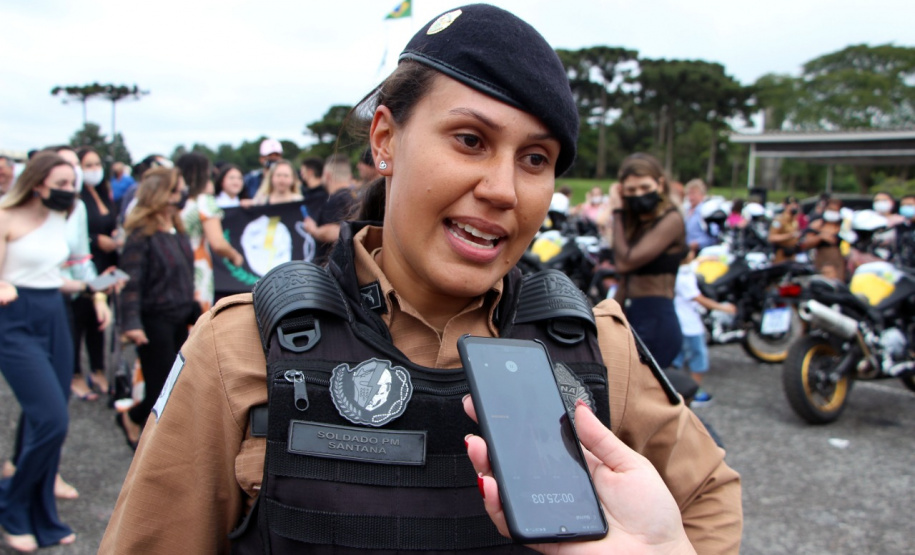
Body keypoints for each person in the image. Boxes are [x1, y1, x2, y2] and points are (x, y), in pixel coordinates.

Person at [100, 5, 741, 554]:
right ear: (385, 139)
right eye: (469, 139)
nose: (501, 189)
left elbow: (708, 496)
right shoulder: (241, 350)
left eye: (535, 159)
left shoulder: (596, 350)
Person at [0, 153, 83, 551]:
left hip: (54, 314)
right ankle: (11, 505)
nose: (70, 190)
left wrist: (91, 286)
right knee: (52, 420)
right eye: (62, 183)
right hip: (14, 321)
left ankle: (42, 514)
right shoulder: (5, 216)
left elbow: (51, 273)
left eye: (73, 183)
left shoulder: (59, 216)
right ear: (37, 183)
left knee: (47, 416)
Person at [116, 168, 195, 451]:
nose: (182, 196)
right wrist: (132, 324)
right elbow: (131, 283)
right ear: (161, 194)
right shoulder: (141, 235)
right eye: (176, 190)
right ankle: (136, 421)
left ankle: (154, 430)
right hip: (154, 320)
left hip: (179, 316)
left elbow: (184, 275)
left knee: (177, 382)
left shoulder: (177, 229)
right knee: (161, 386)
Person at [609, 153, 688, 368]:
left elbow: (625, 262)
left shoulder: (671, 219)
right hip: (634, 314)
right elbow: (626, 275)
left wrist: (616, 211)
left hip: (657, 318)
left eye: (645, 187)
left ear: (660, 184)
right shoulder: (639, 224)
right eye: (631, 190)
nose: (639, 195)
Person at [69, 147, 120, 400]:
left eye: (97, 164)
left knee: (99, 322)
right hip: (83, 266)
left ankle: (98, 369)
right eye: (88, 165)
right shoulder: (75, 200)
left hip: (105, 266)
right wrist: (95, 240)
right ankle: (75, 373)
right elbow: (74, 238)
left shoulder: (103, 193)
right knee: (77, 321)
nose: (94, 170)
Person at [176, 153, 245, 311]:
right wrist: (235, 256)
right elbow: (218, 243)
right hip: (197, 266)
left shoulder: (172, 200)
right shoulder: (204, 202)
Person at [669, 252, 737, 406]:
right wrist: (723, 308)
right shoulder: (684, 278)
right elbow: (698, 298)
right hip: (690, 326)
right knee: (698, 360)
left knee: (677, 360)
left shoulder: (677, 271)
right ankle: (693, 394)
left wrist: (705, 258)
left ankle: (675, 392)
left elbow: (693, 263)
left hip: (679, 324)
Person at [302, 153, 355, 262]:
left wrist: (314, 230)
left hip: (331, 267)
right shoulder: (354, 198)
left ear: (327, 175)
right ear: (349, 176)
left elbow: (337, 231)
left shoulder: (336, 199)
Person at [801, 197, 846, 281]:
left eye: (835, 210)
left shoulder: (842, 225)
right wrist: (820, 237)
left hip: (838, 261)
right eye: (830, 209)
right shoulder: (817, 224)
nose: (832, 212)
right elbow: (805, 244)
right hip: (821, 259)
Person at [683, 178, 718, 253]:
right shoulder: (686, 210)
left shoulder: (706, 211)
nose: (691, 197)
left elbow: (713, 235)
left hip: (701, 251)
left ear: (702, 195)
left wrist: (697, 243)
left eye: (694, 193)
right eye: (689, 193)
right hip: (686, 250)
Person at [768, 197, 802, 264]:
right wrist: (789, 236)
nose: (794, 207)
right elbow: (772, 237)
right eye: (791, 205)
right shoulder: (779, 220)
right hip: (781, 253)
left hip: (792, 252)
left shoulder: (795, 221)